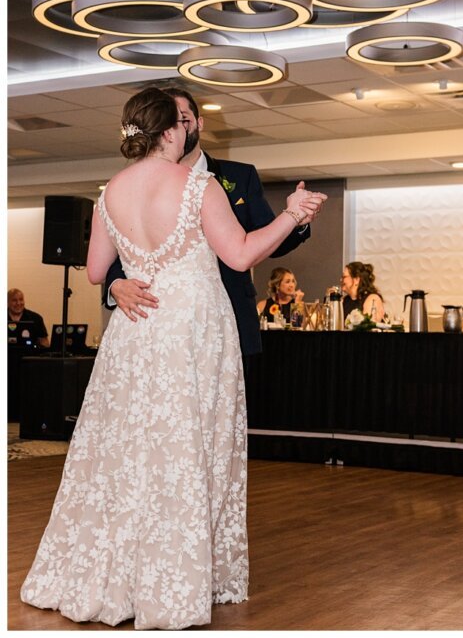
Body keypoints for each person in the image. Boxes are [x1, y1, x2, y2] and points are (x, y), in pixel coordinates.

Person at [20, 88, 326, 628]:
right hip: (191, 331)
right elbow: (240, 253)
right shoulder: (198, 185)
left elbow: (96, 272)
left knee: (124, 450)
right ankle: (174, 585)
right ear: (169, 132)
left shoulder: (110, 190)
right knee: (190, 445)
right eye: (180, 124)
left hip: (135, 335)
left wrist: (123, 285)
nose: (188, 129)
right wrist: (291, 214)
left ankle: (105, 574)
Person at [104, 87, 318, 363]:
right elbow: (124, 247)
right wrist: (115, 285)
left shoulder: (239, 176)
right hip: (158, 320)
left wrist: (296, 220)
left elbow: (267, 238)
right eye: (169, 120)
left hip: (230, 314)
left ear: (199, 123)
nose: (177, 127)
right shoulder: (134, 184)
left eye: (183, 119)